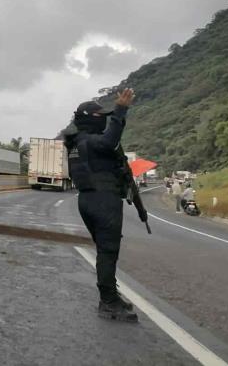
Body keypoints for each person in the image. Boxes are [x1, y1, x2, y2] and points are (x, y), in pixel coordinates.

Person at [60, 88, 139, 322]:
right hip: (103, 200)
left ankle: (111, 295)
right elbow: (110, 141)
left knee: (106, 250)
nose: (103, 120)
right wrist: (120, 110)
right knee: (108, 251)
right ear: (87, 118)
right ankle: (108, 302)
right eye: (99, 117)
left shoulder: (75, 142)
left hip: (88, 200)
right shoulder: (91, 141)